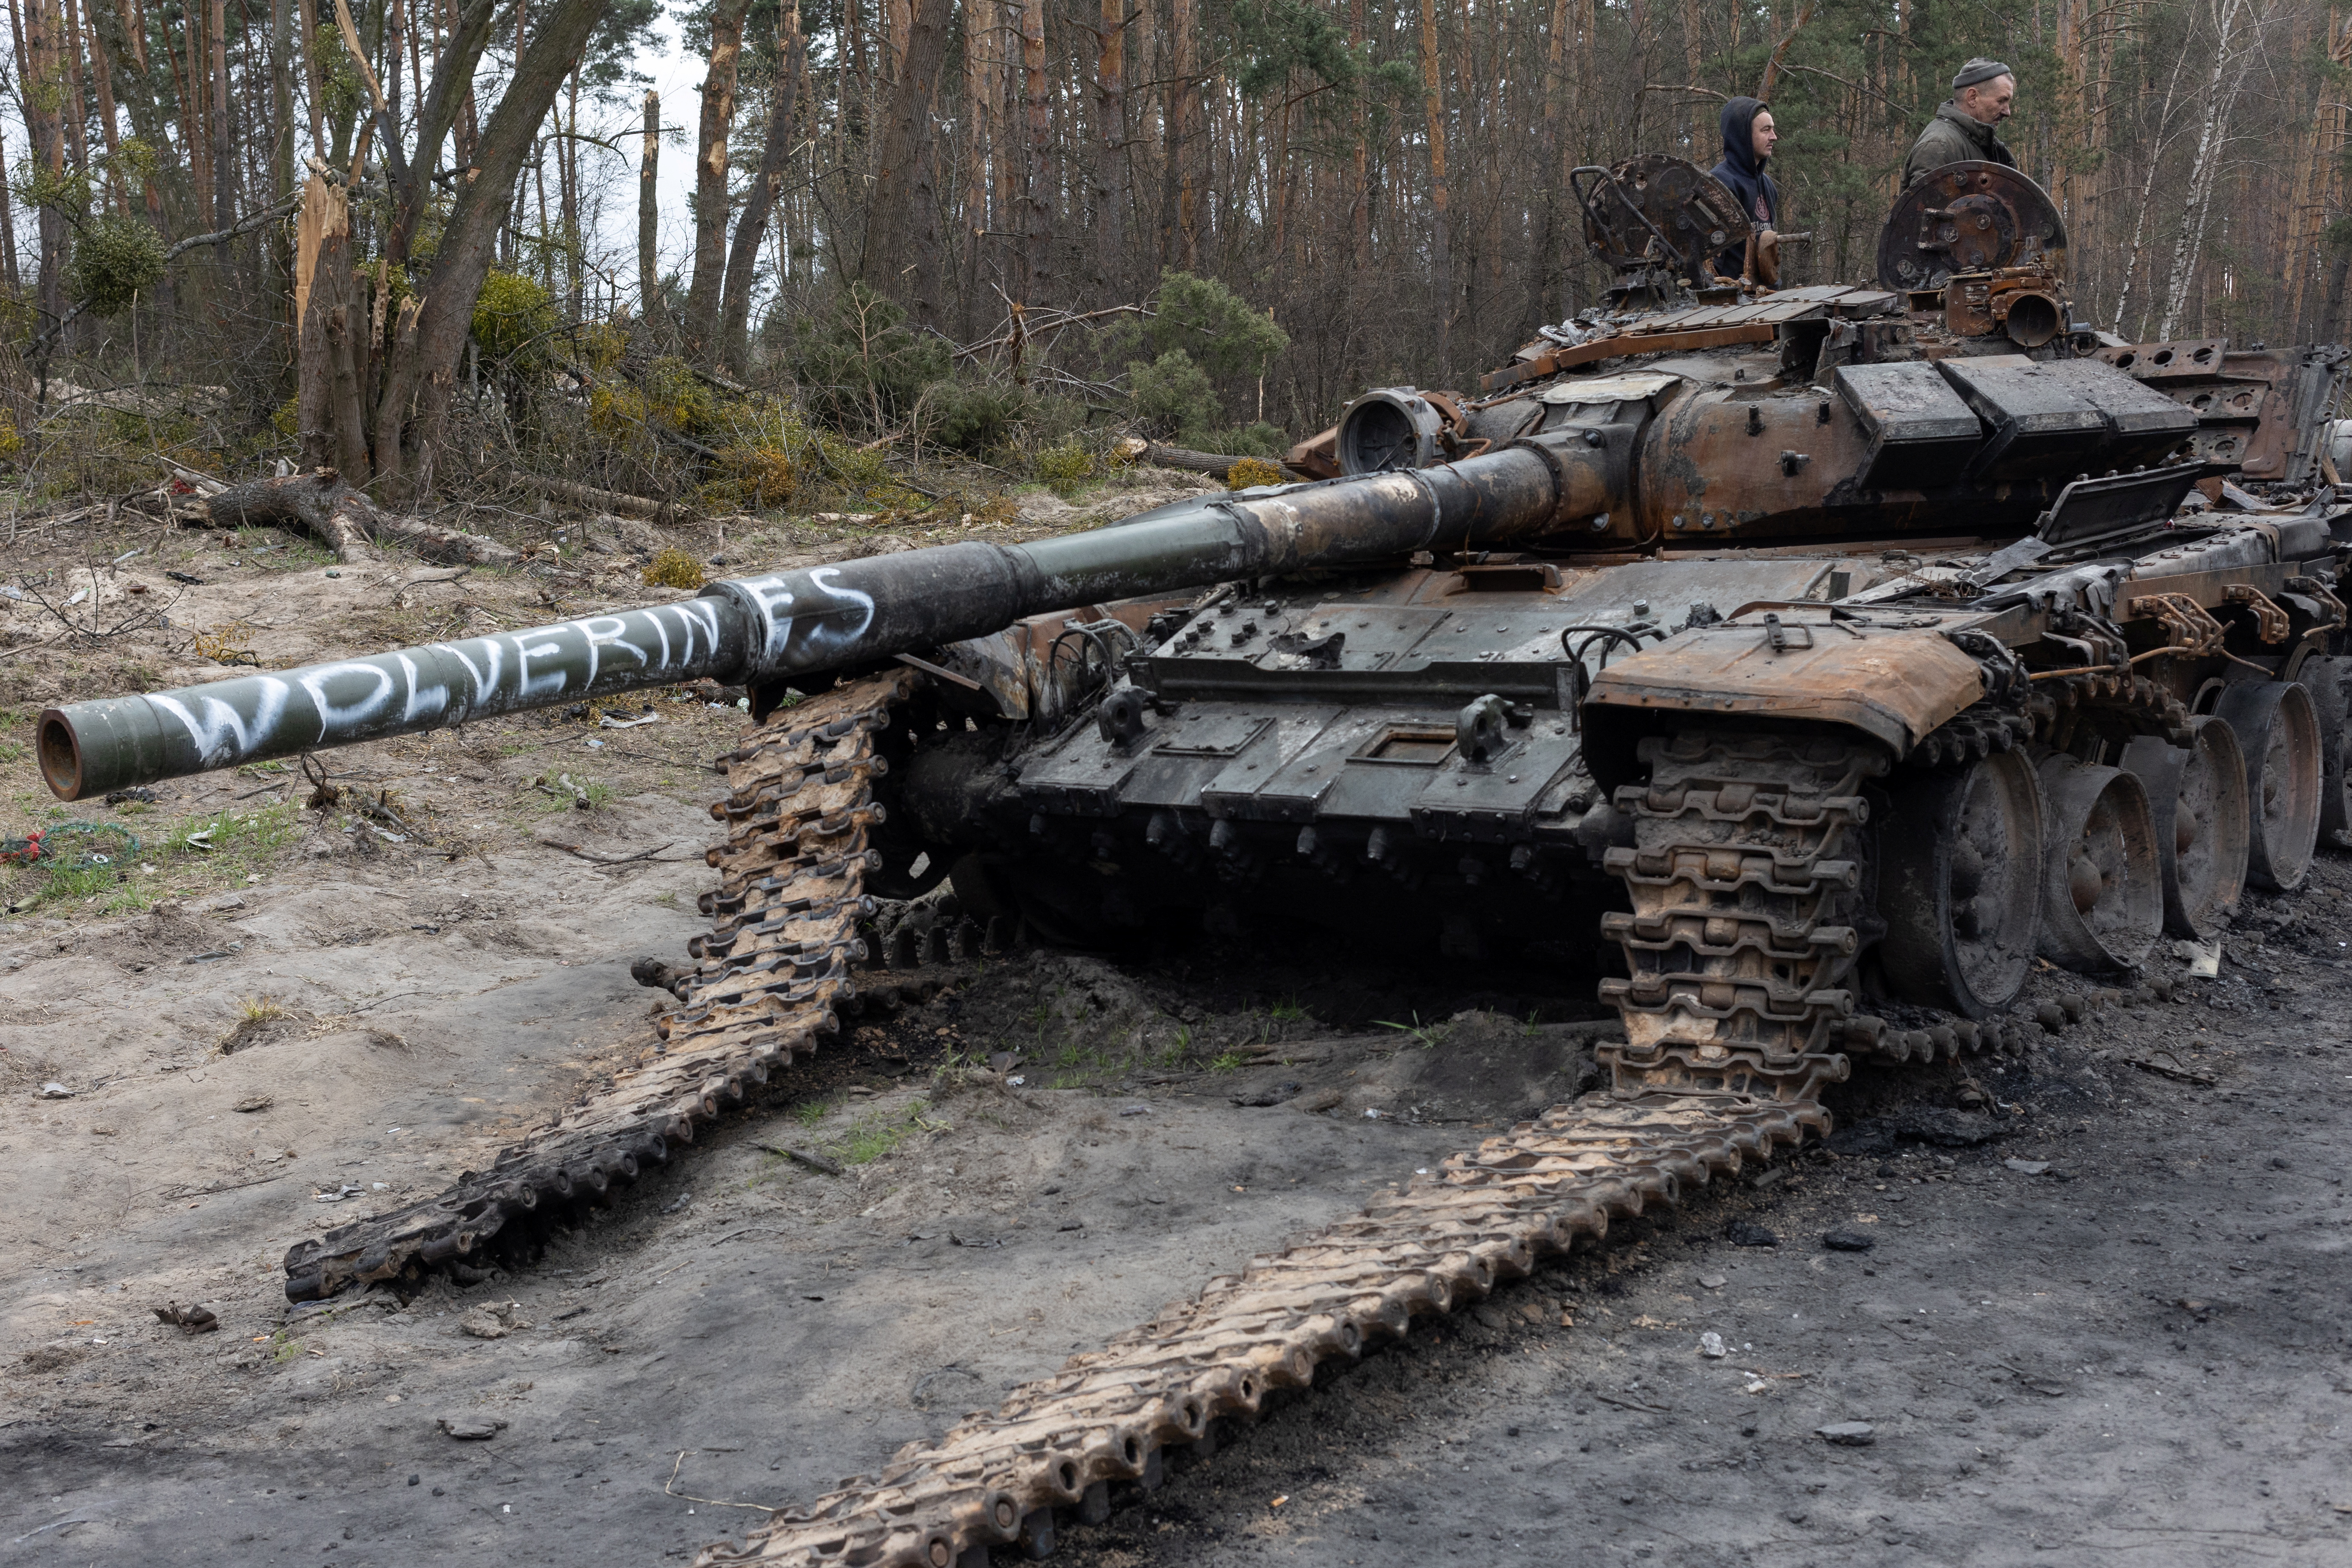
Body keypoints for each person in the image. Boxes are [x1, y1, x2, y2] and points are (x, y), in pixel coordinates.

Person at [1904, 58, 2018, 188]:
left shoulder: (1993, 148)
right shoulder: (1940, 146)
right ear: (1973, 97)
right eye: (2001, 101)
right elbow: (1922, 207)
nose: (2007, 112)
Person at [1708, 96, 1780, 283]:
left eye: (1772, 129)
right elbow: (1711, 263)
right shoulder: (1719, 184)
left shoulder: (1769, 187)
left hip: (1766, 297)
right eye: (1766, 130)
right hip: (1732, 304)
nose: (1774, 137)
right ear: (1743, 136)